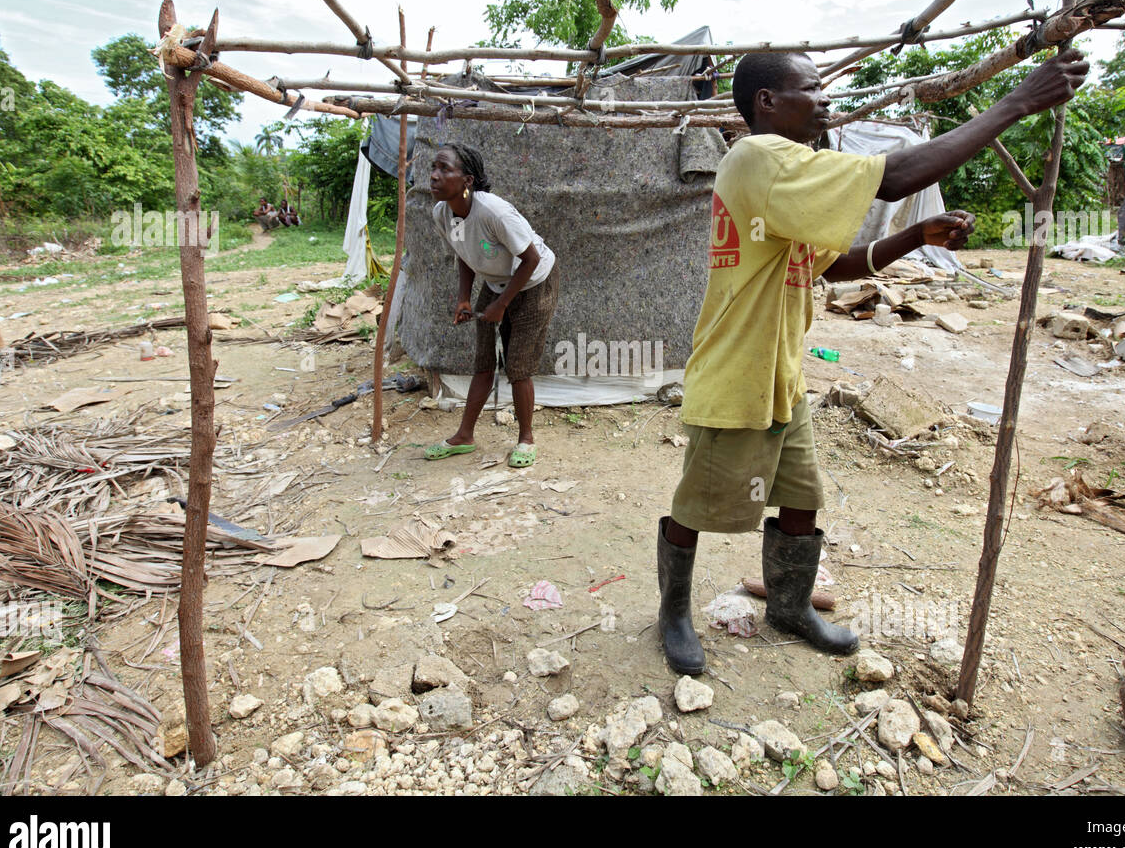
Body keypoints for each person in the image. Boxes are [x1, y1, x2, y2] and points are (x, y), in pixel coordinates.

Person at [656, 48, 1089, 675]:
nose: (826, 99)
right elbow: (889, 177)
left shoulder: (791, 178)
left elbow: (837, 266)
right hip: (734, 375)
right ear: (766, 103)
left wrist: (915, 237)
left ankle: (790, 606)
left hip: (781, 373)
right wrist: (1016, 102)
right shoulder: (758, 157)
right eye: (811, 88)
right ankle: (672, 614)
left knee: (802, 497)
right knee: (697, 506)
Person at [424, 142, 559, 469]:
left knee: (518, 364)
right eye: (434, 168)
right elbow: (465, 254)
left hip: (535, 281)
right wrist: (464, 298)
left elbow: (531, 259)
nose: (434, 176)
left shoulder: (493, 212)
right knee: (483, 361)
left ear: (467, 180)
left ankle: (526, 438)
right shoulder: (444, 213)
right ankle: (464, 436)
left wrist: (501, 304)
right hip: (498, 281)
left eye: (445, 169)